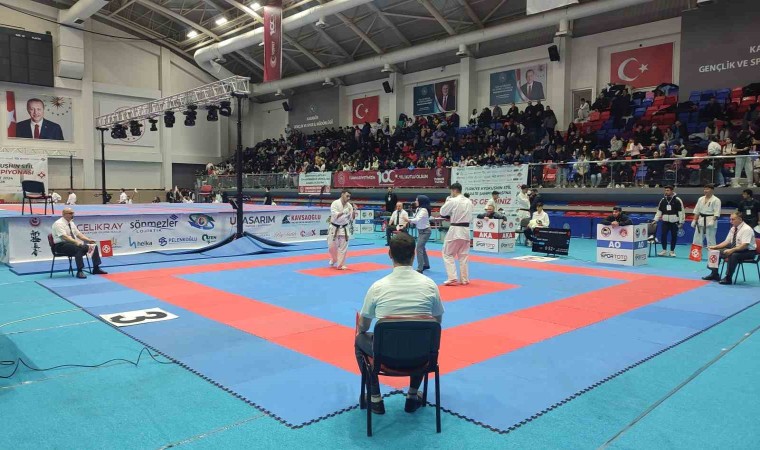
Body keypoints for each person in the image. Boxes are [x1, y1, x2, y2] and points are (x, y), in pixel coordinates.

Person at [354, 233, 444, 415]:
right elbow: (437, 322)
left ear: (389, 254)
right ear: (414, 254)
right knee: (424, 336)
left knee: (359, 338)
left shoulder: (378, 287)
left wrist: (360, 329)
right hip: (420, 357)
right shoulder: (430, 285)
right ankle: (412, 396)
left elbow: (364, 327)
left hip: (385, 356)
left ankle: (375, 398)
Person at [702, 213, 757, 285]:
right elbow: (727, 242)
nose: (731, 221)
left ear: (740, 219)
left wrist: (731, 250)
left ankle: (728, 278)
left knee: (733, 255)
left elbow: (745, 245)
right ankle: (714, 274)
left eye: (733, 219)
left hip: (748, 252)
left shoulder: (747, 229)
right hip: (736, 249)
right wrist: (715, 247)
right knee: (716, 251)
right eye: (730, 219)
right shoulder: (733, 228)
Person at [52, 208, 108, 279]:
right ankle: (80, 271)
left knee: (93, 246)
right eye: (70, 213)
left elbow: (78, 234)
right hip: (60, 246)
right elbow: (64, 237)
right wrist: (76, 242)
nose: (72, 215)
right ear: (64, 214)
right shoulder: (58, 223)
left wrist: (89, 240)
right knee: (79, 248)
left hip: (71, 244)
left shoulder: (71, 223)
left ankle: (96, 268)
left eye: (73, 213)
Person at [439, 182, 473, 286]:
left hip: (455, 229)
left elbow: (442, 212)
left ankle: (452, 277)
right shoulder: (469, 201)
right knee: (463, 256)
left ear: (454, 190)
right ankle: (464, 279)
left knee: (447, 254)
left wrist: (447, 201)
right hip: (466, 230)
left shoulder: (453, 200)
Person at [654, 186, 685, 257]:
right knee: (663, 236)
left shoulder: (677, 200)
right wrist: (655, 220)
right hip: (665, 222)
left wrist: (681, 222)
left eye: (668, 190)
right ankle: (664, 250)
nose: (666, 192)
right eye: (665, 190)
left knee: (674, 236)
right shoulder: (663, 200)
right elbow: (659, 211)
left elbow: (681, 212)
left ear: (672, 191)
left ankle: (672, 251)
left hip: (674, 222)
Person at [328, 190, 353, 270]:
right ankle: (334, 259)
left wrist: (354, 212)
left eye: (349, 196)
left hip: (344, 228)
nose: (348, 198)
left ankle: (340, 265)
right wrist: (343, 212)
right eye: (347, 196)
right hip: (334, 227)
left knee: (343, 248)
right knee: (331, 247)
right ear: (342, 195)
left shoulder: (349, 206)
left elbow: (351, 218)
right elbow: (335, 216)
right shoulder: (335, 203)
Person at [692, 184, 722, 249]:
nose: (705, 190)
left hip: (710, 221)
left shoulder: (716, 200)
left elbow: (717, 213)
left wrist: (713, 221)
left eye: (707, 189)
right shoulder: (700, 199)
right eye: (705, 189)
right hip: (700, 220)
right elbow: (697, 210)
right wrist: (694, 220)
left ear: (712, 190)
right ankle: (696, 254)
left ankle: (712, 254)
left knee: (711, 240)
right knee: (696, 239)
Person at [409, 195, 432, 273]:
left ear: (421, 201)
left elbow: (417, 220)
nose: (415, 201)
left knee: (419, 248)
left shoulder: (424, 210)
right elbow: (415, 218)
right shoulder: (418, 209)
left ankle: (420, 268)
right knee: (422, 248)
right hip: (421, 231)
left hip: (425, 231)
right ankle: (426, 264)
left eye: (417, 200)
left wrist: (408, 220)